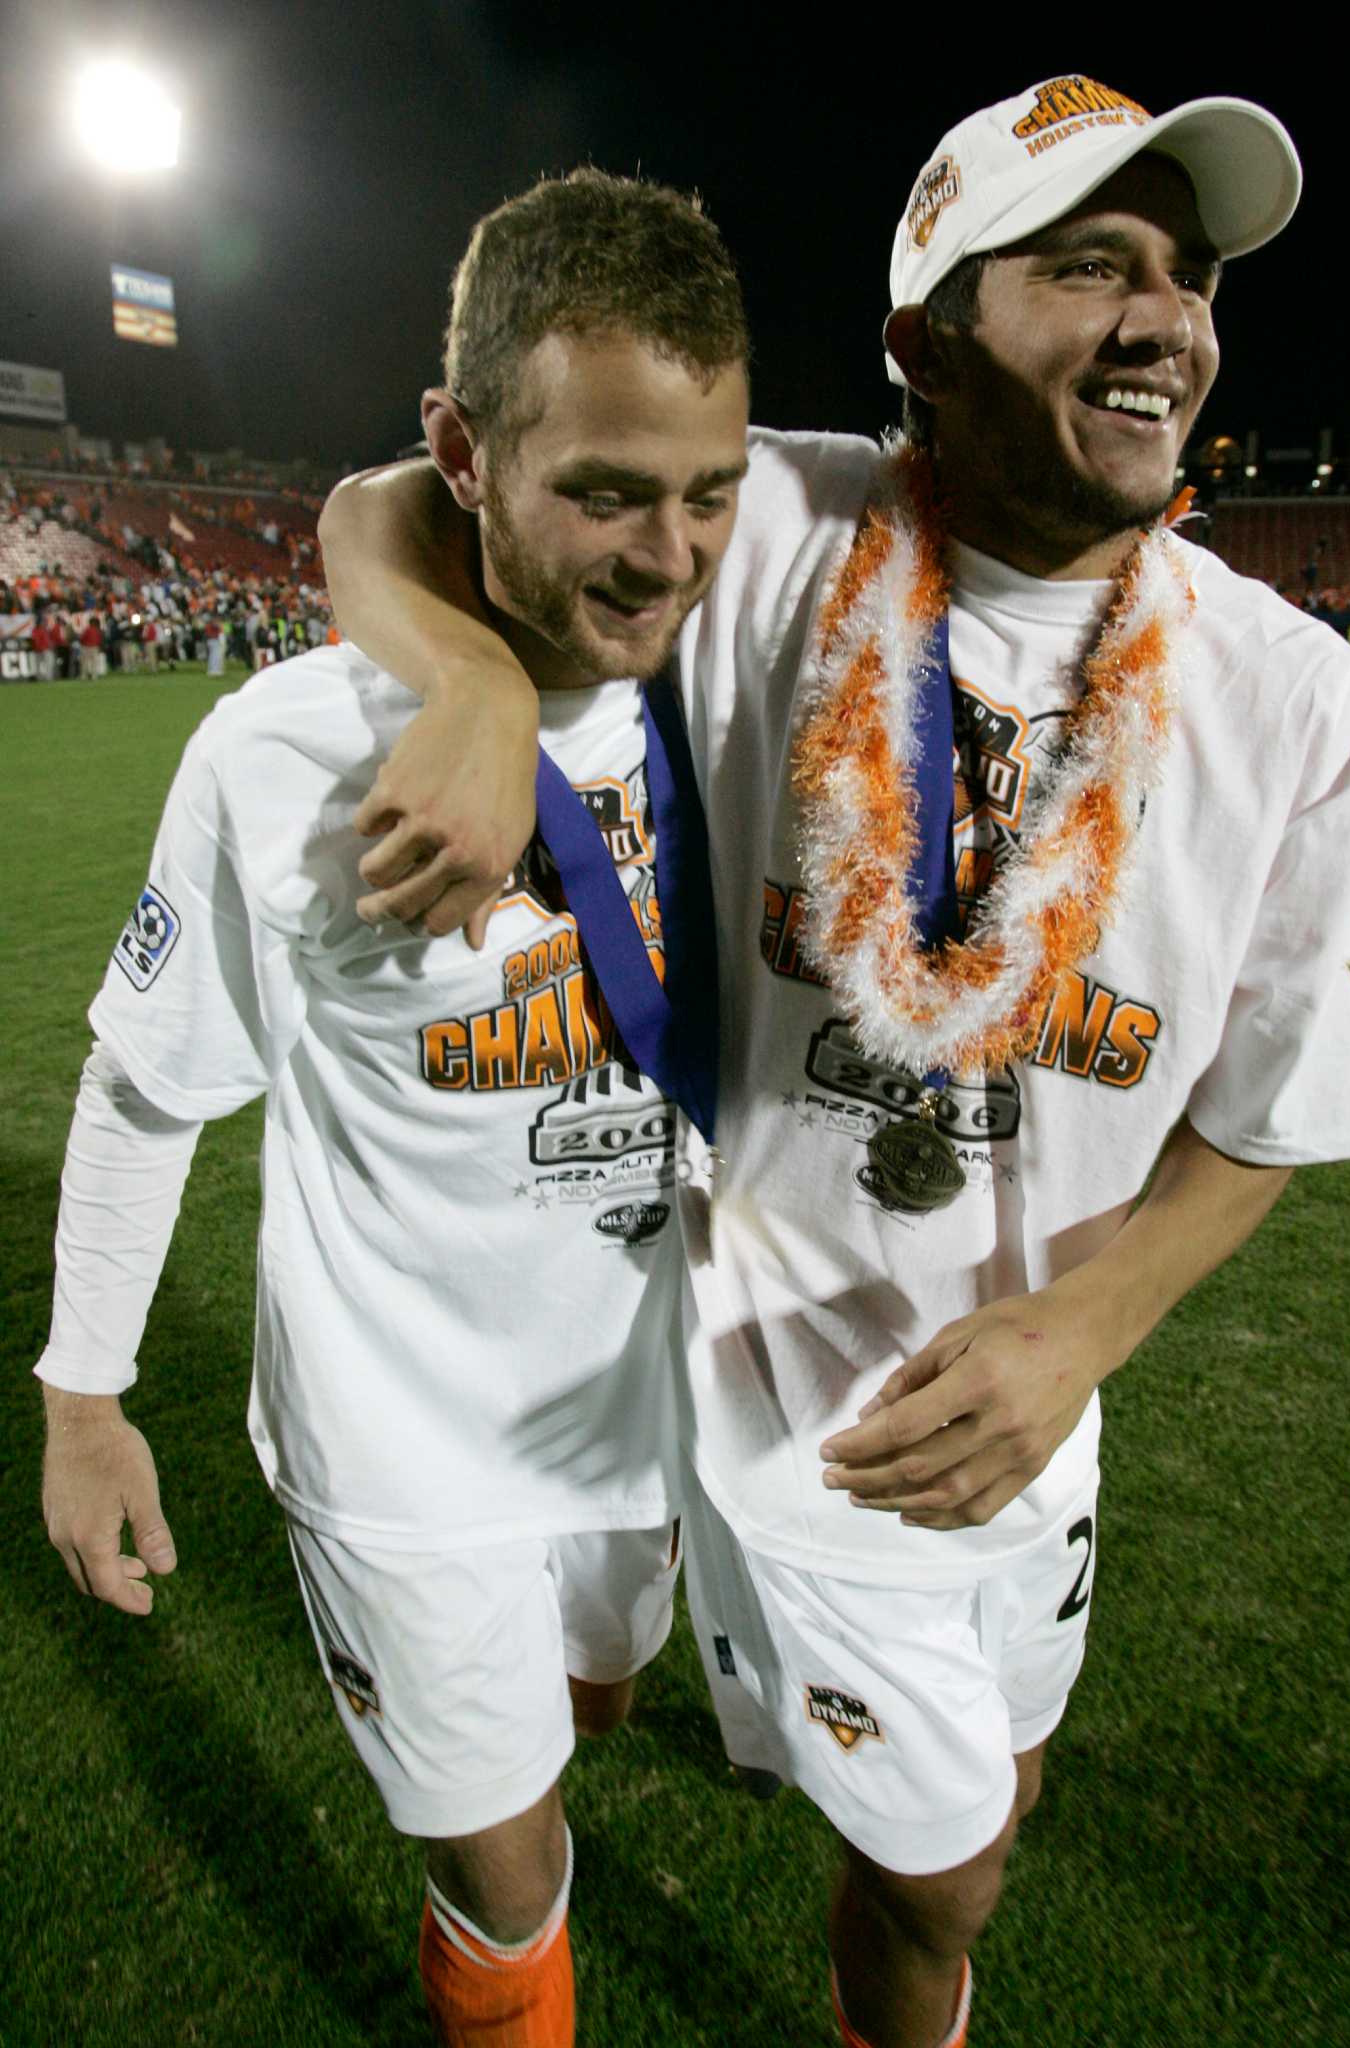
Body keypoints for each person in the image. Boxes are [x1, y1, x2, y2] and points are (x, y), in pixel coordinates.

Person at [319, 76, 1350, 2048]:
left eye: (1188, 274)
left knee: (999, 1790)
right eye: (1085, 267)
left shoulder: (1297, 697)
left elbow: (1269, 1111)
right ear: (922, 339)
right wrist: (472, 678)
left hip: (1040, 1413)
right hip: (797, 1393)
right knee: (940, 1854)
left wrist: (1083, 1329)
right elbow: (395, 499)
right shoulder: (781, 526)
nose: (1163, 318)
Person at [36, 169, 751, 2048]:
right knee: (503, 1873)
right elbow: (144, 1082)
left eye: (708, 493)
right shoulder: (281, 754)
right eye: (600, 491)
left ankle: (562, 1725)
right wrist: (85, 1398)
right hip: (398, 1435)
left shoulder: (736, 689)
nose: (669, 556)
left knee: (590, 1707)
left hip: (639, 1406)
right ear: (463, 450)